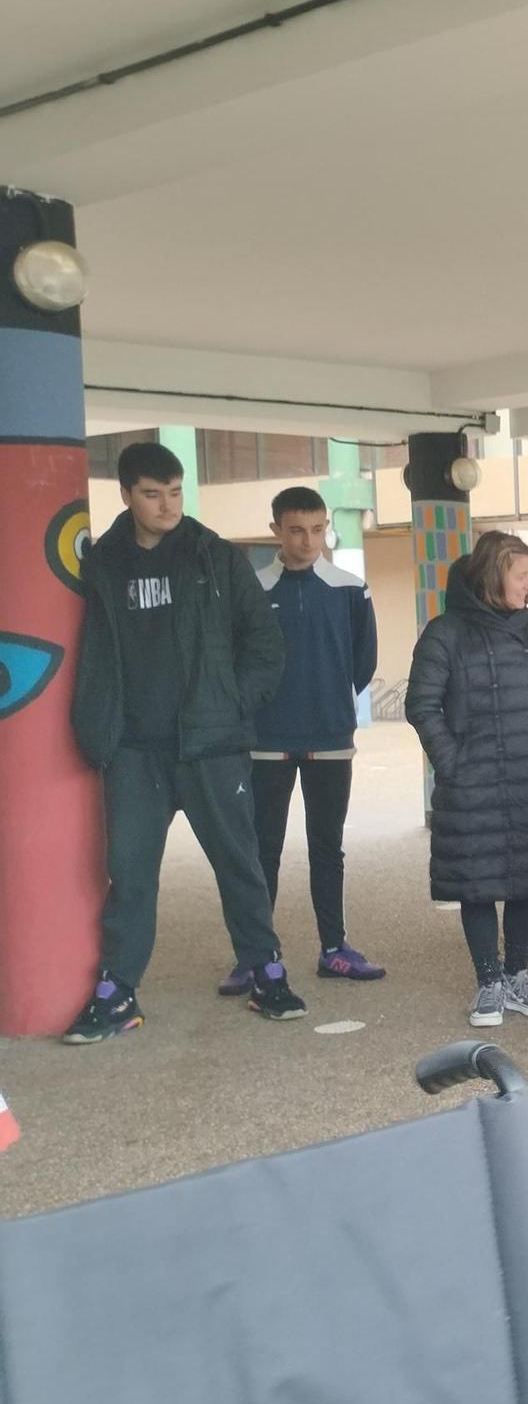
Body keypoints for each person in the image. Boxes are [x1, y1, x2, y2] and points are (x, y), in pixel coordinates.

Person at [64, 441, 305, 1042]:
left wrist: (230, 702)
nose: (167, 505)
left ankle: (264, 970)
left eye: (175, 493)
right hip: (134, 749)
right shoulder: (104, 563)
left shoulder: (213, 556)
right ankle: (117, 991)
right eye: (153, 494)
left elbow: (265, 643)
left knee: (238, 863)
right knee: (130, 873)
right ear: (126, 495)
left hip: (211, 742)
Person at [216, 486, 384, 997]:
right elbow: (234, 658)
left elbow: (364, 663)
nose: (308, 540)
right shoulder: (250, 588)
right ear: (275, 531)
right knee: (260, 849)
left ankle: (334, 949)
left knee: (326, 848)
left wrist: (328, 702)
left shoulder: (351, 588)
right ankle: (255, 956)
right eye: (296, 529)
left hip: (330, 738)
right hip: (264, 740)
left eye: (317, 529)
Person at [408, 531, 528, 1028]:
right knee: (476, 881)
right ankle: (488, 982)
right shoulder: (445, 633)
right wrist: (453, 762)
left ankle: (518, 974)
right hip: (473, 779)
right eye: (521, 575)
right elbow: (422, 704)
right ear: (492, 573)